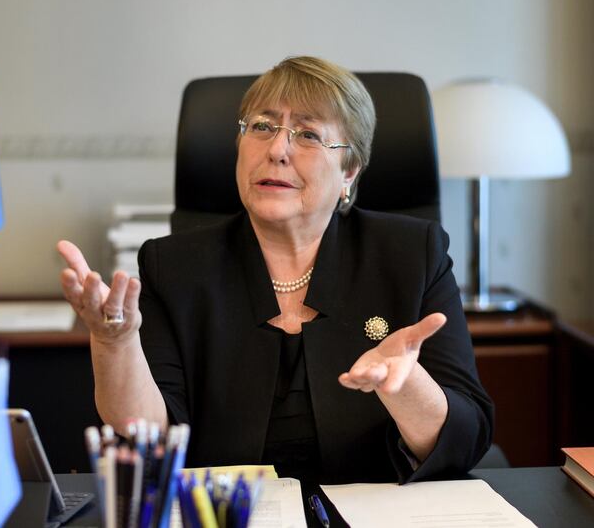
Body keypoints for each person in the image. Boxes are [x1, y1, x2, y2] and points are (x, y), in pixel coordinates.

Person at [57, 56, 493, 484]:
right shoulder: (173, 267)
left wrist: (406, 386)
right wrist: (114, 342)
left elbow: (468, 439)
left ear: (350, 171)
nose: (277, 150)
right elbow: (145, 435)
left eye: (307, 134)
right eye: (262, 126)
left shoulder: (412, 254)